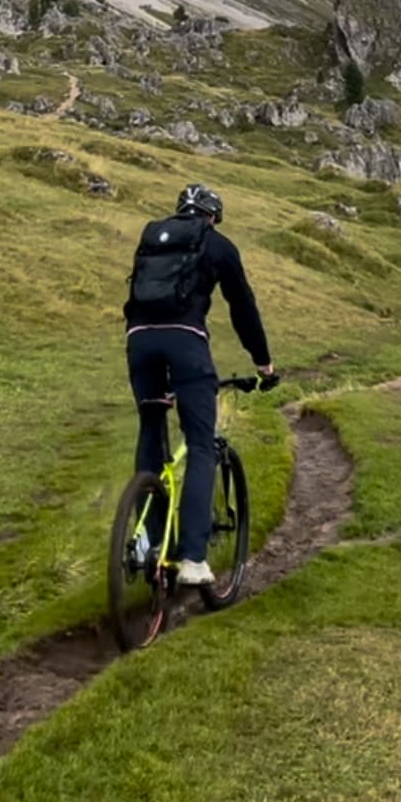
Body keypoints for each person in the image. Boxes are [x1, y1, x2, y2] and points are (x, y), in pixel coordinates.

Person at [124, 183, 276, 586]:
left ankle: (146, 541)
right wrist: (263, 362)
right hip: (185, 343)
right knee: (201, 443)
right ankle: (193, 558)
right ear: (212, 216)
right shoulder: (218, 245)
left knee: (152, 426)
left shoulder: (153, 240)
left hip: (139, 341)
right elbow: (242, 307)